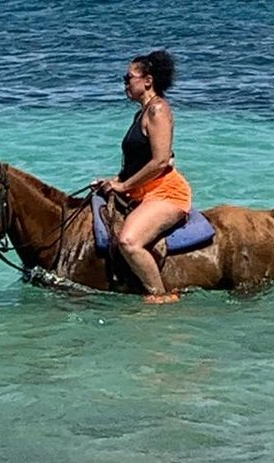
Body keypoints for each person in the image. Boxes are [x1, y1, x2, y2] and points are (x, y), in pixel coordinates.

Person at [94, 50, 191, 304]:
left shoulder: (158, 109)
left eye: (128, 78)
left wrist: (123, 185)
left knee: (128, 241)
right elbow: (139, 164)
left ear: (148, 81)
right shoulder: (142, 113)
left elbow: (160, 162)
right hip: (143, 191)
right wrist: (113, 181)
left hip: (166, 193)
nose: (125, 83)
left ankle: (161, 297)